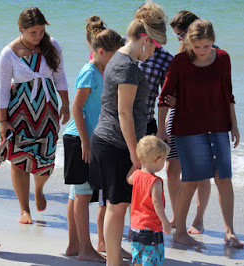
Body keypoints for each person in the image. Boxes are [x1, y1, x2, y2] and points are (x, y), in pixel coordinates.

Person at [89, 2, 168, 265]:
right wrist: (136, 153)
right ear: (145, 39)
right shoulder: (127, 66)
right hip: (115, 143)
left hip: (109, 140)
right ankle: (113, 261)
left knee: (116, 203)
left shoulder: (120, 59)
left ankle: (115, 258)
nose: (155, 51)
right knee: (117, 205)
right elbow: (124, 113)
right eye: (155, 45)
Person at [157, 19, 244, 248]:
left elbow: (229, 93)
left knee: (224, 179)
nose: (202, 51)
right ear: (189, 43)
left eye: (206, 46)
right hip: (188, 129)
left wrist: (234, 125)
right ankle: (180, 232)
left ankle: (229, 231)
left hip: (218, 127)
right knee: (191, 181)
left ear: (213, 42)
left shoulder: (223, 58)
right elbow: (164, 97)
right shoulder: (180, 62)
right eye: (197, 47)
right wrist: (160, 130)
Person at [0, 7, 69, 224]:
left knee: (45, 162)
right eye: (33, 32)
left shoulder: (52, 45)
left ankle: (39, 189)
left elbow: (60, 76)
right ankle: (24, 209)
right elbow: (2, 90)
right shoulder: (8, 53)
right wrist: (2, 121)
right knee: (19, 161)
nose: (38, 37)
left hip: (47, 110)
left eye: (41, 31)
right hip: (18, 113)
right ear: (21, 29)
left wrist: (65, 104)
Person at [63, 18, 123, 262]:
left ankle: (74, 245)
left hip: (91, 138)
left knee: (77, 194)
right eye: (114, 55)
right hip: (79, 138)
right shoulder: (89, 71)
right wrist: (86, 143)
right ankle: (85, 249)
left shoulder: (104, 70)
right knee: (83, 194)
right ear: (100, 52)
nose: (118, 59)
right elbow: (76, 108)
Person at [165, 11, 213, 234]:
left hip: (202, 117)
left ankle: (199, 219)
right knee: (171, 167)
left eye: (181, 34)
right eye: (177, 36)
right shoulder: (180, 55)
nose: (180, 39)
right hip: (176, 114)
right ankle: (177, 216)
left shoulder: (211, 52)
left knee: (200, 171)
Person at [127, 135, 171, 266]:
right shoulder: (155, 181)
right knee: (151, 260)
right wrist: (165, 222)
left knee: (138, 259)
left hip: (135, 226)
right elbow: (156, 203)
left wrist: (136, 165)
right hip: (151, 227)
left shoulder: (136, 175)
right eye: (164, 160)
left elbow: (128, 179)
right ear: (158, 160)